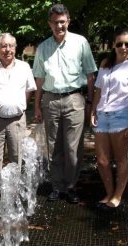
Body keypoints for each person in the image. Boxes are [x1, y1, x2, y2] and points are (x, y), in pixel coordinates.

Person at [32, 3, 97, 204]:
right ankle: (57, 186)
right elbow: (39, 80)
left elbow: (90, 75)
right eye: (55, 22)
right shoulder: (43, 48)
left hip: (74, 99)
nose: (59, 26)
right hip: (50, 100)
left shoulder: (81, 43)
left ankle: (71, 186)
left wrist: (90, 101)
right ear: (49, 23)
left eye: (62, 22)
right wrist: (36, 105)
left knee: (73, 147)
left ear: (68, 21)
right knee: (53, 146)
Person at [0, 33, 36, 203]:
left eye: (11, 46)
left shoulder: (25, 67)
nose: (7, 49)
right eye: (3, 46)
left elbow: (29, 91)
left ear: (15, 48)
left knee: (16, 155)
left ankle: (14, 187)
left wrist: (17, 107)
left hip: (17, 119)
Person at [91, 29, 128, 208]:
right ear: (114, 44)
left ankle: (118, 195)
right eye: (119, 43)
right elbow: (99, 90)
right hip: (102, 116)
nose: (123, 47)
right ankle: (109, 192)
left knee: (120, 159)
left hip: (121, 116)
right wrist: (93, 111)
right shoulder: (106, 64)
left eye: (127, 44)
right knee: (102, 160)